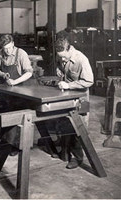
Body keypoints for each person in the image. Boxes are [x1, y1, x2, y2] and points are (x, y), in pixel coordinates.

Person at [54, 30, 94, 169]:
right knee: (65, 123)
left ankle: (78, 158)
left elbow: (89, 81)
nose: (63, 60)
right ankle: (64, 153)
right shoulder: (62, 55)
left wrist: (69, 84)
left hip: (81, 99)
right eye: (61, 58)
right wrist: (59, 70)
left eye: (64, 58)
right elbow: (62, 67)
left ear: (69, 49)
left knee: (78, 128)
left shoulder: (81, 59)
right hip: (67, 96)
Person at [0, 34, 33, 154]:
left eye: (9, 48)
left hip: (20, 88)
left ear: (13, 44)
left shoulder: (21, 54)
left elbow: (29, 72)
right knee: (4, 112)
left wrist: (15, 82)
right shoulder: (0, 53)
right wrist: (3, 75)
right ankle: (5, 141)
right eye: (5, 49)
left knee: (15, 115)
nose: (7, 51)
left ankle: (15, 145)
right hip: (6, 88)